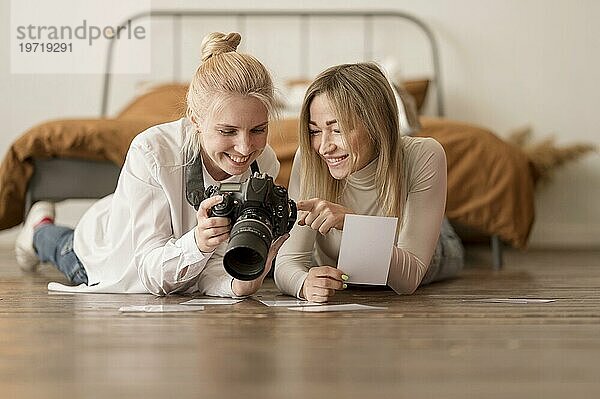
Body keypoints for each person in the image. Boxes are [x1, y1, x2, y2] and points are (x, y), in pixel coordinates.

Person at [15, 32, 287, 297]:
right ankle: (39, 228)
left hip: (172, 256)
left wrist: (237, 285)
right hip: (114, 256)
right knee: (62, 246)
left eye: (258, 130)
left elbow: (212, 269)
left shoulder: (264, 162)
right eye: (227, 131)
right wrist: (198, 242)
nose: (245, 148)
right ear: (195, 119)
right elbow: (148, 273)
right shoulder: (151, 151)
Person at [274, 62, 464, 302]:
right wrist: (303, 284)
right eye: (314, 131)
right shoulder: (309, 158)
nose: (324, 147)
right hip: (344, 260)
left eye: (338, 129)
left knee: (443, 238)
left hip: (428, 249)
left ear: (376, 123)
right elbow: (287, 263)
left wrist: (352, 225)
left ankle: (437, 215)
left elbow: (409, 279)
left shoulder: (425, 154)